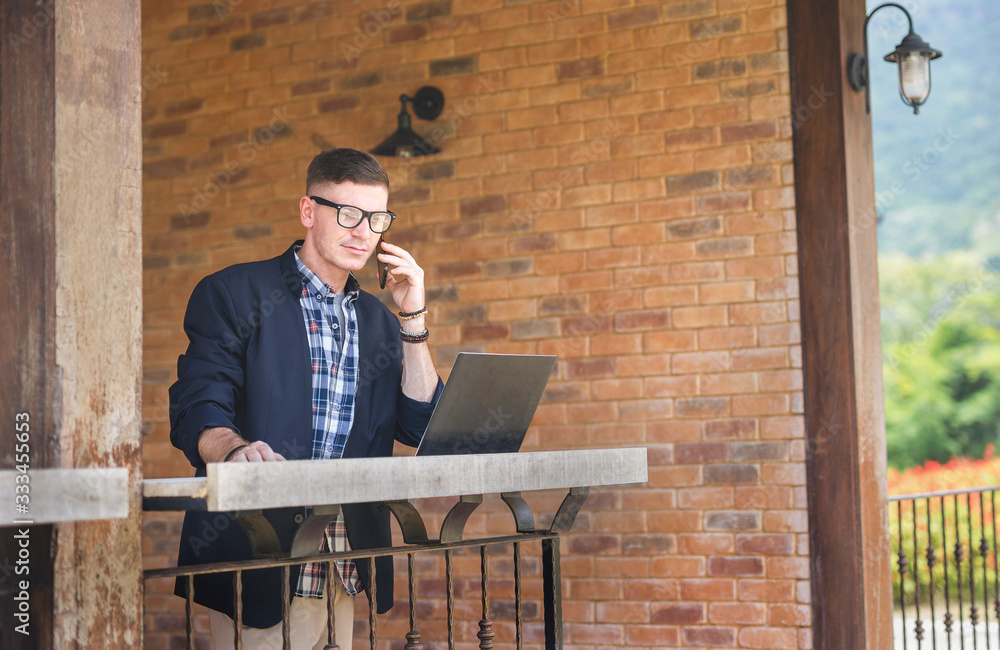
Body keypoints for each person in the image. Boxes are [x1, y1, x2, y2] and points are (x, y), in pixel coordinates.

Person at [168, 148, 442, 649]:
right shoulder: (233, 293)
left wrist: (413, 321)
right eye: (348, 213)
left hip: (344, 561)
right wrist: (233, 451)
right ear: (308, 211)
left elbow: (421, 426)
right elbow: (197, 405)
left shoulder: (381, 321)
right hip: (258, 559)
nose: (364, 231)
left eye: (377, 218)